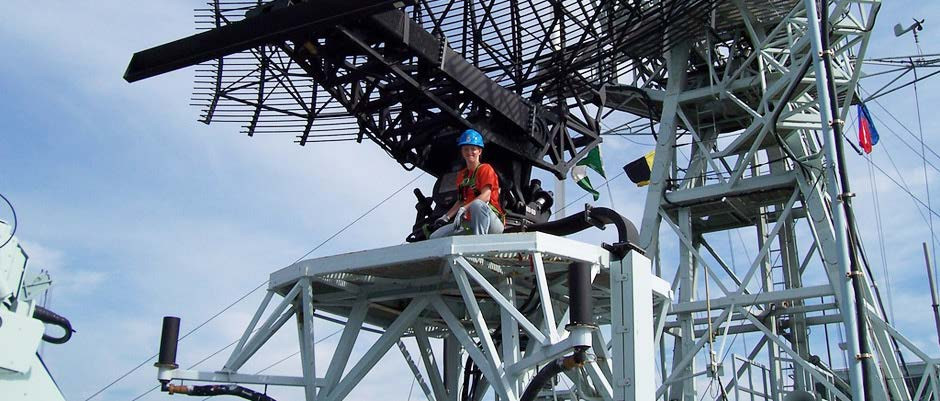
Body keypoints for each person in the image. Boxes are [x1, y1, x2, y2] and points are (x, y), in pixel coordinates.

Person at [429, 129, 505, 238]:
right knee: (436, 237)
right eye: (466, 149)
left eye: (473, 149)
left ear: (480, 151)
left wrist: (465, 208)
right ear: (462, 152)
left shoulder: (485, 169)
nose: (469, 152)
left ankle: (479, 244)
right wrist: (445, 217)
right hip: (471, 223)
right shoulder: (462, 175)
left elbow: (486, 196)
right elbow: (461, 201)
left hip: (492, 223)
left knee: (477, 205)